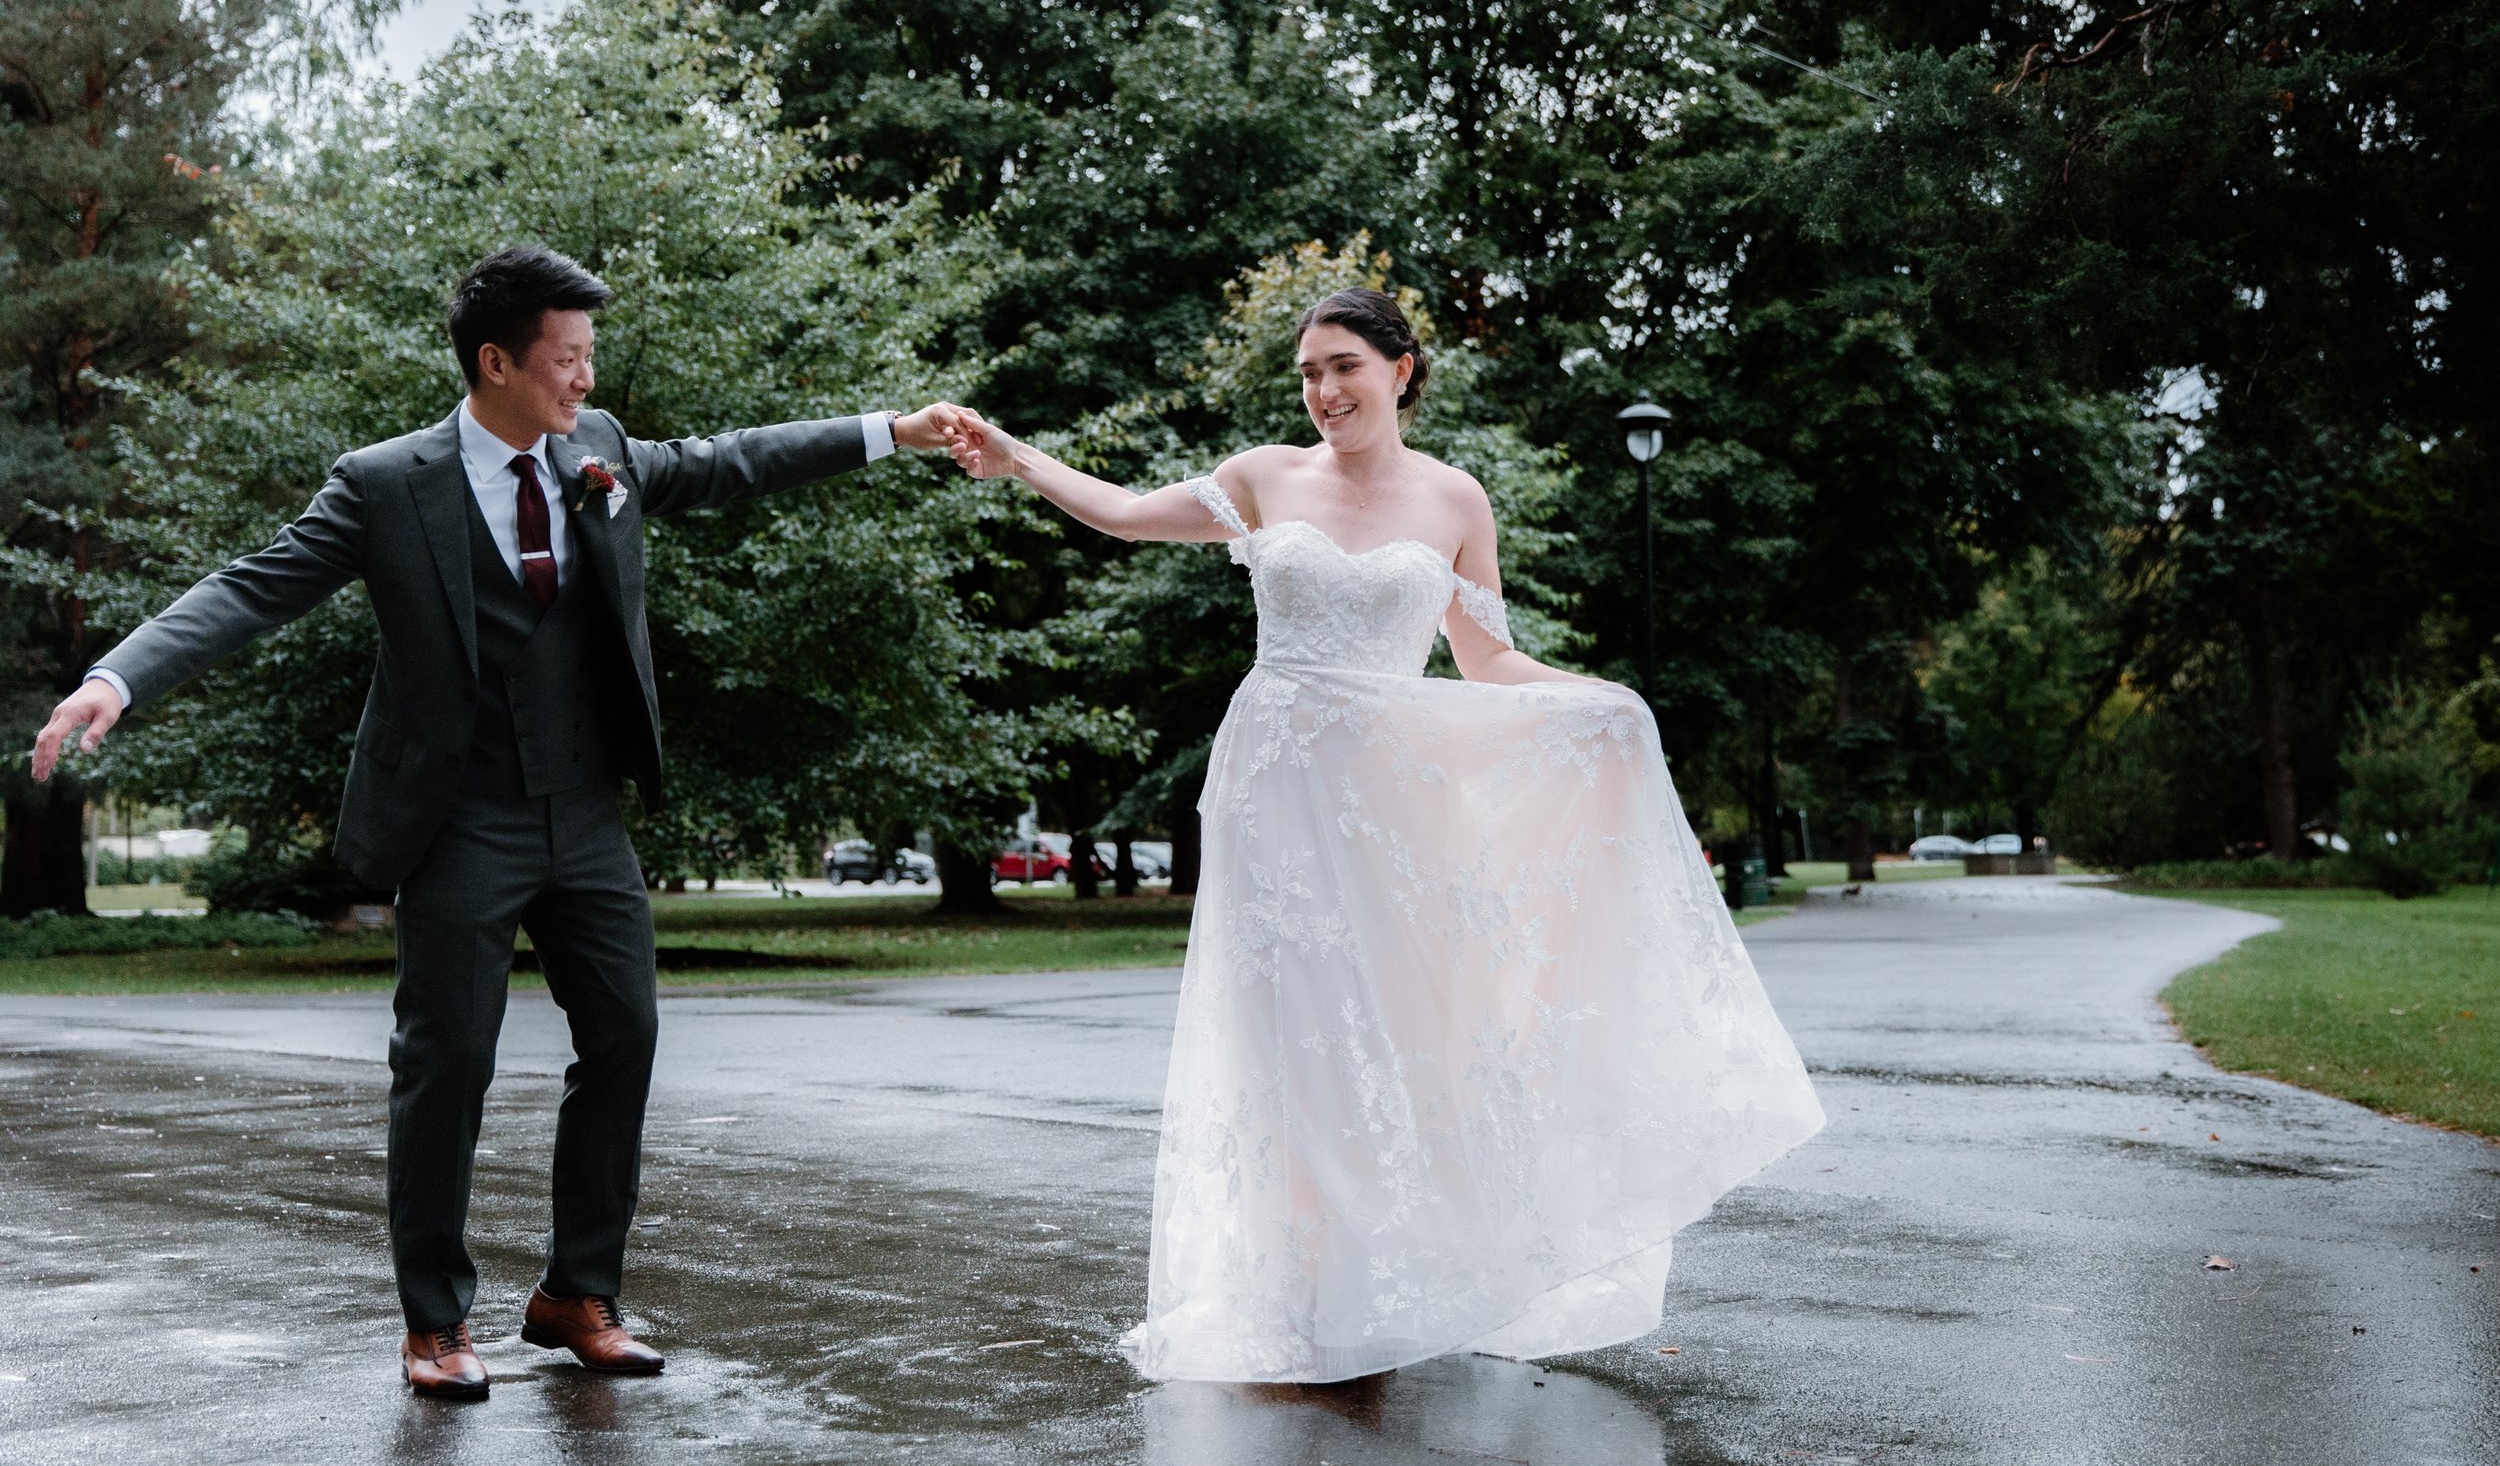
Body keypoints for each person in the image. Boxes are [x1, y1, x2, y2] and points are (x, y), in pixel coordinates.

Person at [28, 245, 975, 1402]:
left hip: (584, 812)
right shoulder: (386, 483)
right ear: (496, 360)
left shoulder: (603, 449)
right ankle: (435, 1318)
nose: (586, 378)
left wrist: (894, 428)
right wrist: (115, 677)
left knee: (624, 1038)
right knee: (448, 1066)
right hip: (459, 818)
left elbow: (727, 463)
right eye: (567, 357)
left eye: (590, 357)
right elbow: (255, 582)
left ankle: (577, 1292)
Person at [947, 287, 1824, 1384]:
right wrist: (1015, 454)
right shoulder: (1263, 477)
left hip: (1400, 803)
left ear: (1401, 368)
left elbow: (1486, 661)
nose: (1323, 391)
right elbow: (1124, 512)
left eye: (1345, 366)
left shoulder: (1456, 498)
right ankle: (1304, 1294)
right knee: (1295, 1044)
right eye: (1309, 372)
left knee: (1417, 1038)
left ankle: (1405, 1274)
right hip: (1276, 786)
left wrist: (1597, 699)